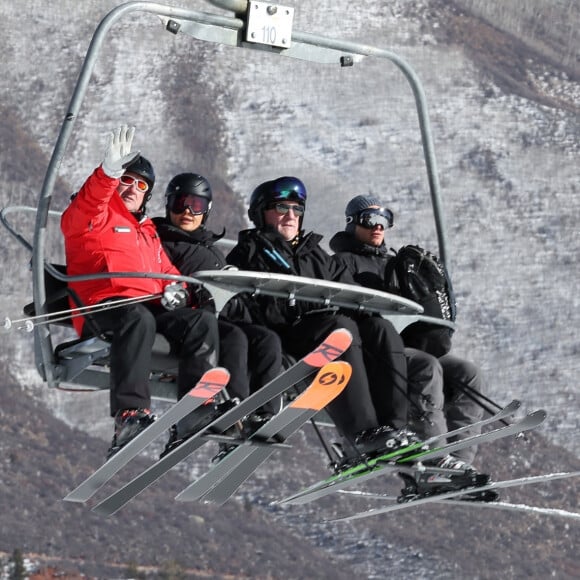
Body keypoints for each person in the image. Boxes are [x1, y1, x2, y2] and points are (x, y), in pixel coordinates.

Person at [226, 176, 421, 464]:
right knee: (341, 329)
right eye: (281, 208)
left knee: (379, 329)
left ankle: (393, 429)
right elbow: (250, 305)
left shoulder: (313, 252)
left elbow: (348, 292)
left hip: (328, 330)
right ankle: (361, 432)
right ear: (261, 213)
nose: (291, 216)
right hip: (286, 333)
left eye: (296, 210)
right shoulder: (249, 251)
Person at [61, 126, 221, 459]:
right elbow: (91, 203)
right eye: (127, 180)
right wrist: (107, 174)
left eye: (141, 184)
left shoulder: (145, 231)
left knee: (200, 323)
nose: (133, 188)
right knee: (138, 319)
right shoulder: (90, 216)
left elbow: (167, 273)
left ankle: (195, 409)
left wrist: (196, 295)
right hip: (103, 307)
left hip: (146, 310)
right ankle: (129, 414)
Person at [330, 194, 487, 470]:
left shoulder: (394, 263)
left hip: (404, 343)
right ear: (352, 223)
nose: (378, 227)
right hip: (373, 349)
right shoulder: (342, 263)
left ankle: (459, 461)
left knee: (467, 372)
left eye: (385, 220)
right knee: (425, 367)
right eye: (370, 220)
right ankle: (434, 458)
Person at [152, 172, 284, 454]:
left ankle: (262, 414)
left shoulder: (209, 246)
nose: (187, 212)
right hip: (180, 318)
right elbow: (161, 280)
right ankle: (228, 417)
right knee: (234, 337)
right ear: (168, 206)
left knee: (266, 339)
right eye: (180, 204)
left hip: (214, 316)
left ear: (206, 210)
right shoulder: (158, 241)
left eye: (196, 206)